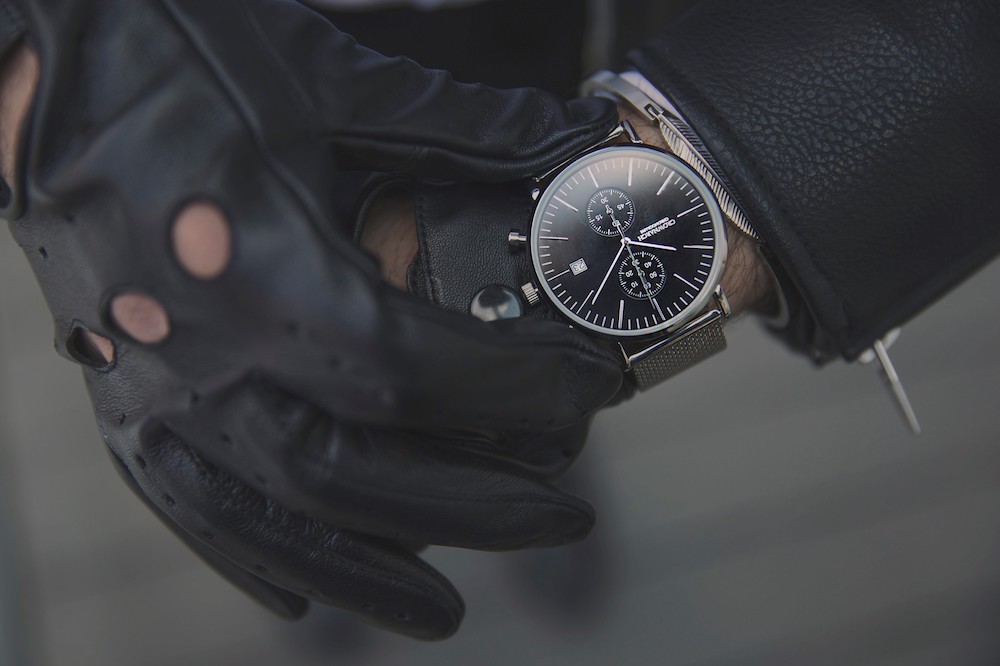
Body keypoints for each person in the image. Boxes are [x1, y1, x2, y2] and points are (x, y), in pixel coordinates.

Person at [0, 0, 997, 642]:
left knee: (513, 371)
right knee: (291, 426)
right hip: (207, 49)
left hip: (551, 33)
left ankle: (550, 425)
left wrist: (738, 174)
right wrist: (43, 68)